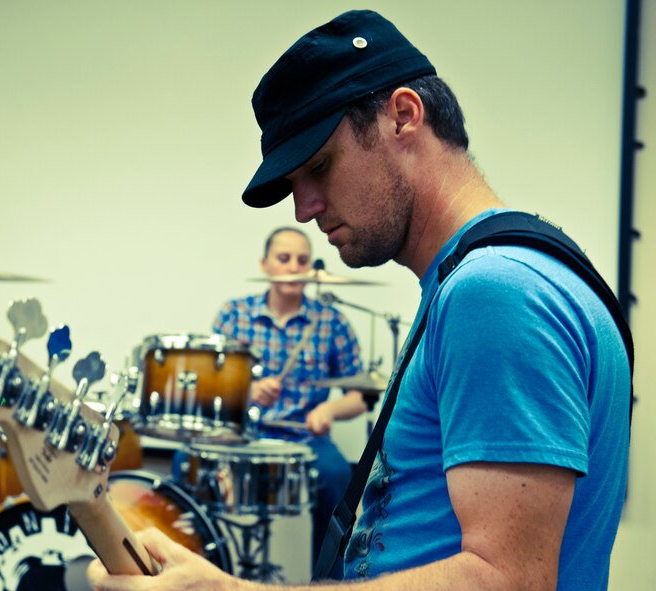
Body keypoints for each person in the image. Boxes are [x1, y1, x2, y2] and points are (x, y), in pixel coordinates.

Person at [88, 9, 632, 591]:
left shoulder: (495, 293)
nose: (303, 208)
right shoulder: (498, 277)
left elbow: (508, 580)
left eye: (319, 167)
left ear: (403, 116)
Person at [212, 226, 368, 563]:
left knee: (337, 474)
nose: (294, 267)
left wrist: (330, 412)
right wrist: (249, 391)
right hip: (244, 434)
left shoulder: (331, 321)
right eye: (284, 259)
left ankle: (324, 578)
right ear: (265, 264)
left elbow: (360, 396)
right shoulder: (234, 315)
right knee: (189, 464)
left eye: (302, 260)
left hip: (305, 440)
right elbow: (213, 389)